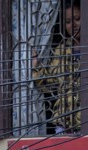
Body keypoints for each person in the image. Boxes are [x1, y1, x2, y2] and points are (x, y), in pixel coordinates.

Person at [34, 3, 81, 133]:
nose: (73, 25)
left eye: (77, 19)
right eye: (68, 21)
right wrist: (36, 66)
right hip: (64, 123)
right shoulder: (61, 50)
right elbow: (48, 82)